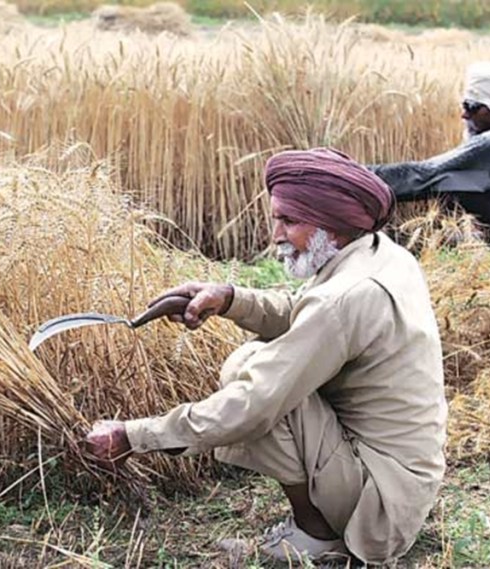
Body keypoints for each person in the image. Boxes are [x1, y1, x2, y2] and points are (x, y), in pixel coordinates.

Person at [84, 149, 447, 565]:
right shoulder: (381, 255)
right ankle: (321, 522)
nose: (275, 234)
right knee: (259, 367)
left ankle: (317, 537)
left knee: (255, 374)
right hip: (403, 483)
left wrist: (135, 436)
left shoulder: (343, 299)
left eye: (289, 221)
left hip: (380, 508)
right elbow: (305, 313)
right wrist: (229, 299)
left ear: (333, 225)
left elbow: (256, 405)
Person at [370, 61, 490, 247]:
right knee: (454, 181)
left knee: (451, 184)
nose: (464, 115)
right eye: (464, 105)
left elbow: (424, 174)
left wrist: (356, 176)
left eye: (471, 106)